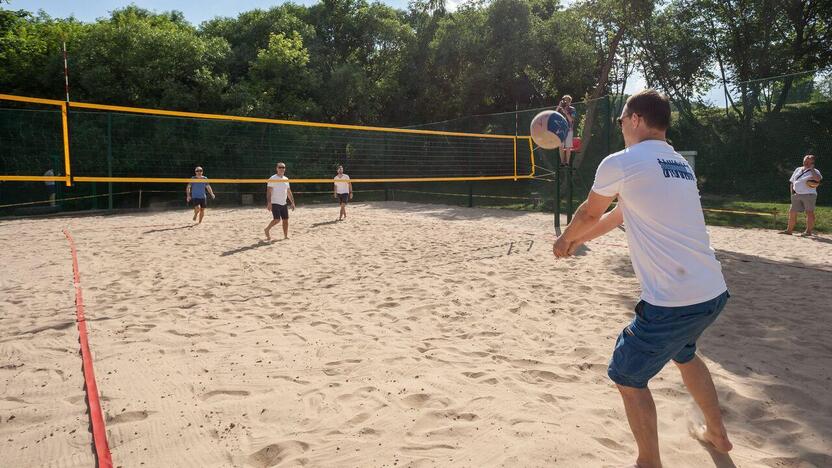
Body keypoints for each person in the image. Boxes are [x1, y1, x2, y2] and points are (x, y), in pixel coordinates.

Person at [553, 89, 732, 468]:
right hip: (711, 292)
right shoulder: (679, 163)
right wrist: (576, 242)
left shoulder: (623, 161)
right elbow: (618, 216)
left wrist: (566, 239)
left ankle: (648, 462)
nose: (619, 126)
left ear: (635, 119)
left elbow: (588, 212)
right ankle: (717, 434)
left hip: (674, 301)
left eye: (620, 119)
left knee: (627, 374)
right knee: (685, 355)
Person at [780, 154, 822, 236]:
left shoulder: (815, 171)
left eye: (808, 162)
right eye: (805, 161)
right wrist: (792, 193)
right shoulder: (798, 169)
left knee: (809, 212)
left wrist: (812, 169)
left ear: (812, 163)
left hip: (809, 195)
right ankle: (789, 230)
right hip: (796, 194)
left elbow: (818, 179)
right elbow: (792, 182)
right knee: (792, 212)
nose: (806, 163)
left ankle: (808, 231)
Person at [264, 162, 295, 240]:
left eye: (283, 167)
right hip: (275, 202)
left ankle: (285, 236)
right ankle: (267, 229)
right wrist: (269, 202)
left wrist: (292, 202)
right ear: (276, 168)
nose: (281, 169)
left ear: (285, 169)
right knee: (277, 219)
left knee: (286, 220)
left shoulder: (286, 179)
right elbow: (268, 191)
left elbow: (288, 191)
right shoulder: (272, 178)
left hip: (283, 203)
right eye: (280, 167)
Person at [556, 95, 577, 166]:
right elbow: (554, 115)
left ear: (570, 102)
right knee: (560, 146)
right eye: (564, 100)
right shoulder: (560, 109)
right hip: (561, 130)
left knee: (568, 147)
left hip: (569, 130)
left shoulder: (572, 109)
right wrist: (559, 107)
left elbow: (571, 120)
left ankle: (567, 162)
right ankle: (562, 162)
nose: (566, 101)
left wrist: (565, 112)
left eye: (567, 100)